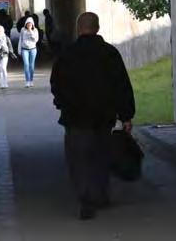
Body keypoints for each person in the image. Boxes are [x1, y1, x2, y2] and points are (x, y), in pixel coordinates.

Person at [50, 12, 135, 220]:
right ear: (97, 28)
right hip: (103, 116)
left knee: (79, 159)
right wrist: (126, 115)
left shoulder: (67, 54)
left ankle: (85, 198)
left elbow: (56, 84)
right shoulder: (110, 53)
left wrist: (62, 103)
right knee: (101, 157)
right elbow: (121, 86)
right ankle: (100, 194)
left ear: (79, 28)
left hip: (75, 117)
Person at [18, 17, 39, 87]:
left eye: (30, 24)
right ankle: (27, 81)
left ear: (32, 24)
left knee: (31, 65)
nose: (29, 25)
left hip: (33, 49)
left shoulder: (35, 30)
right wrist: (19, 50)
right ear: (26, 24)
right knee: (26, 64)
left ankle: (31, 80)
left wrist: (30, 31)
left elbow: (36, 40)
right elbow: (20, 39)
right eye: (28, 24)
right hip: (24, 49)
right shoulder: (22, 30)